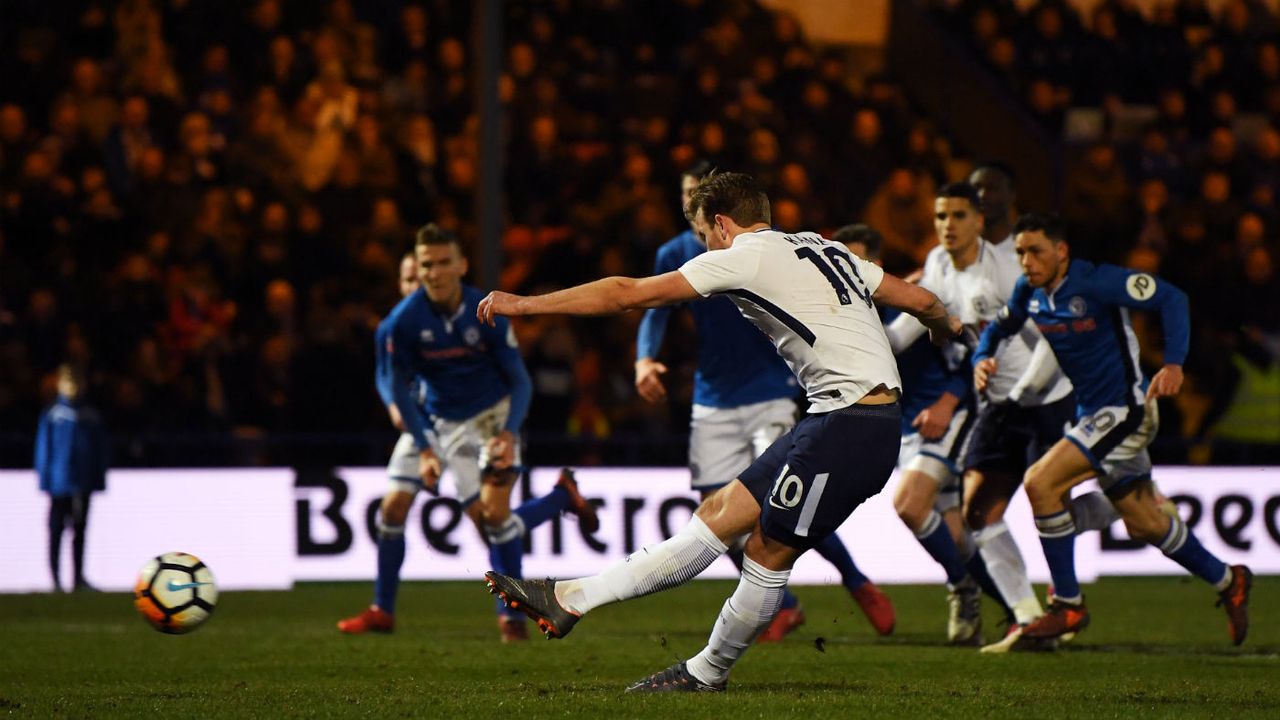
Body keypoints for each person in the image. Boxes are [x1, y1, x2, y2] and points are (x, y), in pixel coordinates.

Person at [480, 172, 960, 692]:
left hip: (854, 426)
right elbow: (922, 300)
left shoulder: (742, 256)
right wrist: (946, 330)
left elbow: (627, 295)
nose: (704, 247)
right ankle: (571, 597)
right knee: (716, 516)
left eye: (705, 236)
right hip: (835, 419)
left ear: (723, 225)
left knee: (764, 551)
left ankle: (706, 674)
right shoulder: (826, 248)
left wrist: (524, 304)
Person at [635, 162, 894, 639]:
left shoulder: (762, 252)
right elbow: (653, 308)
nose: (695, 205)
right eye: (687, 195)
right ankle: (784, 604)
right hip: (713, 396)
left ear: (720, 213)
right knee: (716, 508)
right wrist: (645, 360)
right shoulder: (676, 252)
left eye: (703, 197)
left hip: (769, 390)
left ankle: (856, 581)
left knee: (787, 495)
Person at [973, 212, 1252, 647]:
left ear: (1061, 252)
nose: (1027, 261)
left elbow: (1172, 298)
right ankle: (1227, 579)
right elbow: (998, 328)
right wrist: (982, 359)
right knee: (1145, 524)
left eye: (1036, 251)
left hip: (1125, 411)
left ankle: (1067, 604)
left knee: (1041, 483)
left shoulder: (1097, 283)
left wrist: (1175, 362)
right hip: (1093, 415)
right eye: (1021, 252)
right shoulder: (1030, 291)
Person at [337, 225, 598, 642]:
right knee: (391, 510)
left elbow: (520, 380)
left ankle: (513, 615)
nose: (434, 273)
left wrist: (510, 433)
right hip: (432, 420)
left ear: (461, 265)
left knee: (494, 519)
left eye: (443, 263)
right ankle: (382, 610)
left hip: (487, 420)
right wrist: (424, 448)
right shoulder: (402, 322)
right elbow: (396, 389)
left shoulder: (485, 309)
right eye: (426, 265)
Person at [835, 222, 987, 646]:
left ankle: (963, 588)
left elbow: (964, 353)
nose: (847, 268)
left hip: (942, 417)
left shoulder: (910, 297)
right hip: (905, 428)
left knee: (910, 505)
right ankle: (1016, 613)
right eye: (841, 259)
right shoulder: (848, 310)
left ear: (876, 264)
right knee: (955, 535)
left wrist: (948, 401)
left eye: (857, 259)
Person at [35, 364, 109, 593]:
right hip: (59, 484)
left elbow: (99, 451)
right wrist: (45, 479)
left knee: (80, 529)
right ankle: (55, 580)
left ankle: (77, 578)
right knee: (56, 529)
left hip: (82, 483)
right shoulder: (53, 415)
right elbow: (43, 449)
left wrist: (98, 479)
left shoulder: (90, 416)